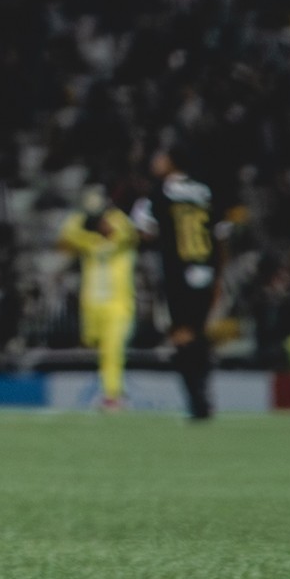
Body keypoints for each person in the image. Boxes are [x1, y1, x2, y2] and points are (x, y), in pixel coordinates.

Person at [148, 145, 227, 421]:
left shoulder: (161, 192)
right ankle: (205, 394)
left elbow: (144, 229)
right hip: (206, 269)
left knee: (181, 335)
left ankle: (196, 402)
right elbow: (220, 236)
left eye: (160, 158)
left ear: (171, 162)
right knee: (199, 334)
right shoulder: (205, 191)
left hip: (178, 271)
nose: (155, 162)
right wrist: (218, 275)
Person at [60, 184, 141, 407]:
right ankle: (112, 391)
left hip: (119, 305)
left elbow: (127, 230)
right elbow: (67, 234)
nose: (105, 225)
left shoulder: (123, 242)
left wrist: (109, 212)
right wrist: (84, 213)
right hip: (92, 306)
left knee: (112, 350)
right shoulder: (91, 244)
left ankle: (112, 395)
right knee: (95, 346)